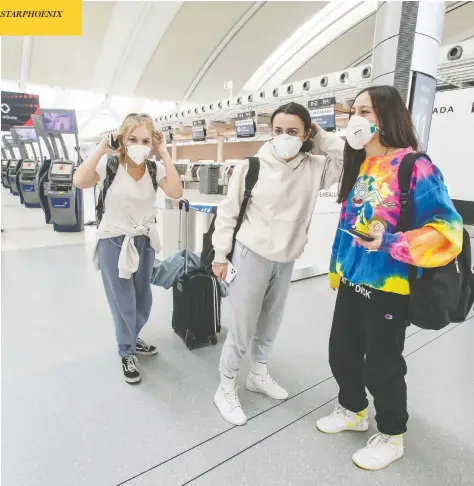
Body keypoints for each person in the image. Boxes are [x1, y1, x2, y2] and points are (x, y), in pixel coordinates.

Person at [317, 86, 463, 470]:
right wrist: (337, 269)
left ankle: (392, 433)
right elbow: (347, 225)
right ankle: (352, 410)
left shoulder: (416, 166)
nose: (356, 119)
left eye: (365, 110)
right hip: (352, 281)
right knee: (342, 353)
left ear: (386, 117)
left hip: (390, 288)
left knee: (381, 364)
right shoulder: (361, 166)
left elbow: (448, 231)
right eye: (353, 111)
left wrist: (391, 243)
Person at [212, 102, 345, 426]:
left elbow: (347, 158)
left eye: (293, 131)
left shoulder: (315, 166)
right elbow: (228, 213)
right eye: (278, 131)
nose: (284, 137)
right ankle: (225, 386)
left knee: (270, 323)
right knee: (242, 327)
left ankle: (258, 373)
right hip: (251, 254)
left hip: (286, 258)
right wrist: (219, 255)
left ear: (306, 134)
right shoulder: (252, 166)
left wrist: (321, 137)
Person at [73, 113, 182, 384]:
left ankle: (132, 337)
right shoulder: (109, 165)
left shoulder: (154, 169)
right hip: (114, 240)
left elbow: (176, 192)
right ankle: (126, 350)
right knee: (123, 299)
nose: (139, 144)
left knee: (142, 297)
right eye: (133, 138)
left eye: (145, 140)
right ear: (121, 138)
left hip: (144, 240)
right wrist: (101, 148)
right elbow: (80, 181)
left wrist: (163, 152)